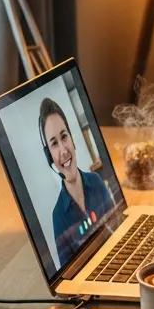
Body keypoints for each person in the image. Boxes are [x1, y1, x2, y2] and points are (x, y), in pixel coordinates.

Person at [40, 98, 113, 268]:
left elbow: (117, 225)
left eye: (64, 137)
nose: (64, 151)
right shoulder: (58, 216)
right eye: (54, 144)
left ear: (72, 139)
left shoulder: (96, 180)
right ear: (49, 156)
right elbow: (70, 274)